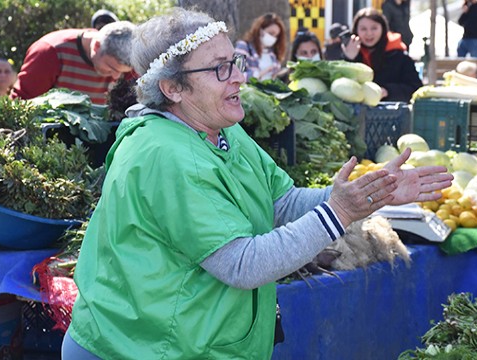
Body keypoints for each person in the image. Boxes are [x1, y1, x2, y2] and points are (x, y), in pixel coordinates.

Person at [61, 8, 452, 359]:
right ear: (173, 88)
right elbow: (241, 264)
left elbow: (281, 202)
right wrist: (340, 212)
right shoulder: (164, 155)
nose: (239, 78)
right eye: (220, 69)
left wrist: (367, 193)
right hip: (135, 346)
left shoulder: (223, 129)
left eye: (236, 61)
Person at [10, 21, 134, 105]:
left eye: (122, 72)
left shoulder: (132, 63)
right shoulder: (51, 52)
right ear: (96, 46)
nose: (116, 77)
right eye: (111, 68)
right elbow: (20, 104)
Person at [342, 8, 423, 103]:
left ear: (383, 28)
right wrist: (349, 59)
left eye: (374, 28)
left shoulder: (399, 56)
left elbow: (416, 89)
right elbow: (339, 87)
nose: (369, 33)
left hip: (391, 114)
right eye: (363, 29)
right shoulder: (350, 51)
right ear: (356, 31)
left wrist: (387, 91)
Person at [235, 13, 287, 80]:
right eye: (271, 33)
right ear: (260, 30)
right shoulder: (244, 46)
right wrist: (259, 74)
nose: (273, 38)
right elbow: (236, 75)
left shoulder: (272, 53)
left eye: (276, 36)